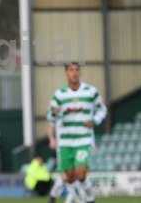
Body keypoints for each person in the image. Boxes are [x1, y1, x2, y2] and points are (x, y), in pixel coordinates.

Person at [47, 62, 107, 203]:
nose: (74, 73)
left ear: (79, 72)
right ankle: (83, 198)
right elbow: (50, 117)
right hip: (65, 141)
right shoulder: (59, 94)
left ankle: (89, 199)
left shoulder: (90, 91)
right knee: (70, 176)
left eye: (76, 70)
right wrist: (54, 115)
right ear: (66, 73)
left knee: (81, 173)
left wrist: (95, 120)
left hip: (83, 139)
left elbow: (102, 109)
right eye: (71, 70)